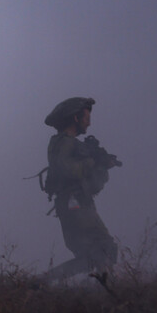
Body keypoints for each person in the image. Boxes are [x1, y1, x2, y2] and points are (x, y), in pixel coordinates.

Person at [42, 97, 121, 282]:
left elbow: (92, 183)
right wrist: (94, 162)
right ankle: (112, 292)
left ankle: (39, 283)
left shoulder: (64, 143)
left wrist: (102, 166)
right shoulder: (65, 143)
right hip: (75, 204)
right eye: (86, 116)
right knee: (104, 248)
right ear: (76, 118)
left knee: (91, 256)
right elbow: (65, 168)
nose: (89, 122)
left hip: (73, 203)